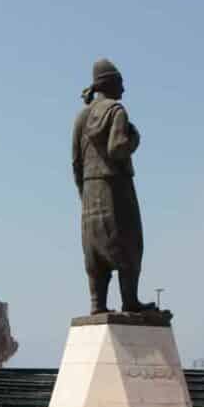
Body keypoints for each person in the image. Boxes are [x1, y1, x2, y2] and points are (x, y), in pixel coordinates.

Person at [72, 58, 156, 315]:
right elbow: (117, 147)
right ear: (111, 84)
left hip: (90, 189)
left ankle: (98, 304)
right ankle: (129, 301)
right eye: (122, 83)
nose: (124, 89)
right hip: (116, 188)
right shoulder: (117, 111)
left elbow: (76, 161)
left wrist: (83, 191)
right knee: (129, 243)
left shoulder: (82, 116)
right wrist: (135, 139)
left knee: (94, 248)